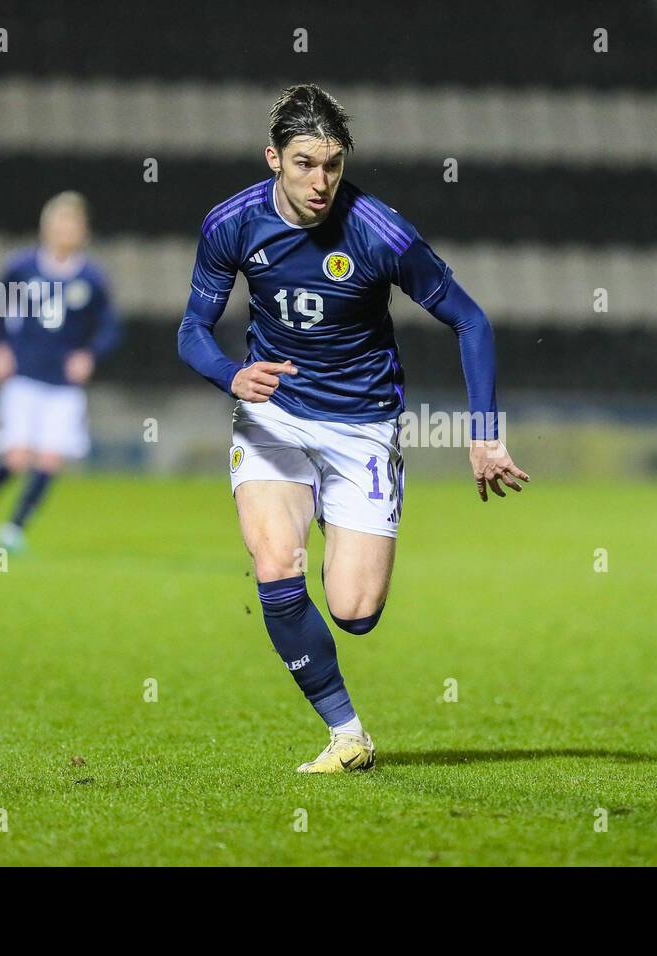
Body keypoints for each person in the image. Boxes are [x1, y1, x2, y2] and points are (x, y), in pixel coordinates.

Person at [177, 84, 529, 773]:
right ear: (273, 158)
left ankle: (335, 517)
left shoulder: (379, 232)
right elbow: (192, 329)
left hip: (362, 425)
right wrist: (230, 375)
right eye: (305, 162)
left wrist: (484, 433)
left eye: (333, 164)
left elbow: (471, 320)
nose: (321, 180)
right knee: (276, 563)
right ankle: (347, 734)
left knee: (355, 610)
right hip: (272, 416)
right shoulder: (232, 224)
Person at [0, 191, 121, 553]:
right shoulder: (22, 267)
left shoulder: (92, 279)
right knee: (18, 456)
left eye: (73, 224)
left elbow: (110, 327)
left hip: (64, 383)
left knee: (50, 457)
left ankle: (12, 531)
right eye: (60, 223)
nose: (66, 230)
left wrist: (89, 355)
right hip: (24, 374)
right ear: (46, 228)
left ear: (83, 232)